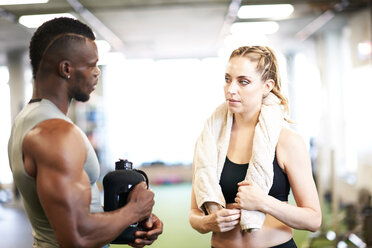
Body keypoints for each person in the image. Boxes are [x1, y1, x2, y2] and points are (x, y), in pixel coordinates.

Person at [8, 17, 163, 248]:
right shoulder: (56, 133)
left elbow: (72, 218)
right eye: (91, 64)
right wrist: (134, 210)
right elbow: (76, 238)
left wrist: (128, 227)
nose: (96, 72)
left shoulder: (28, 120)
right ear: (66, 69)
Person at [189, 46, 321, 248]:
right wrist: (208, 222)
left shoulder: (287, 141)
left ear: (267, 86)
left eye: (243, 81)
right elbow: (194, 215)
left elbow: (313, 220)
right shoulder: (208, 141)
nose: (231, 89)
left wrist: (263, 202)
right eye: (227, 79)